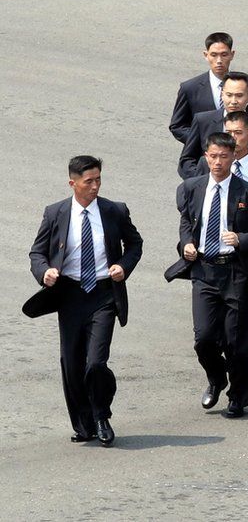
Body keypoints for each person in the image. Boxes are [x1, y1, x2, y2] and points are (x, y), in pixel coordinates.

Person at [25, 156, 143, 446]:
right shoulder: (56, 213)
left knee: (96, 363)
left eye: (98, 179)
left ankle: (101, 415)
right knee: (71, 363)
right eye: (88, 181)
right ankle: (83, 425)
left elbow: (135, 244)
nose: (94, 186)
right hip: (70, 296)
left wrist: (123, 267)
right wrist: (46, 273)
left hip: (103, 294)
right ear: (72, 183)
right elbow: (36, 254)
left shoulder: (114, 210)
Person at [174, 133, 248, 418]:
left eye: (223, 157)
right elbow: (186, 221)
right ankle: (217, 379)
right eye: (213, 156)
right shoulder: (192, 188)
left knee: (237, 343)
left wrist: (241, 239)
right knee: (204, 339)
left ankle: (238, 396)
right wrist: (187, 244)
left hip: (236, 272)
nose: (217, 162)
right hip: (204, 271)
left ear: (233, 158)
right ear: (205, 156)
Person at [170, 32, 248, 144]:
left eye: (224, 55)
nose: (219, 61)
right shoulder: (190, 88)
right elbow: (177, 126)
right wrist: (204, 142)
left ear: (232, 54)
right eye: (214, 55)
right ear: (206, 55)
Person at [178, 71, 248, 178]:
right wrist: (201, 182)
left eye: (239, 96)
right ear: (222, 95)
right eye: (229, 95)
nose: (233, 101)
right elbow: (187, 160)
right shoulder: (203, 121)